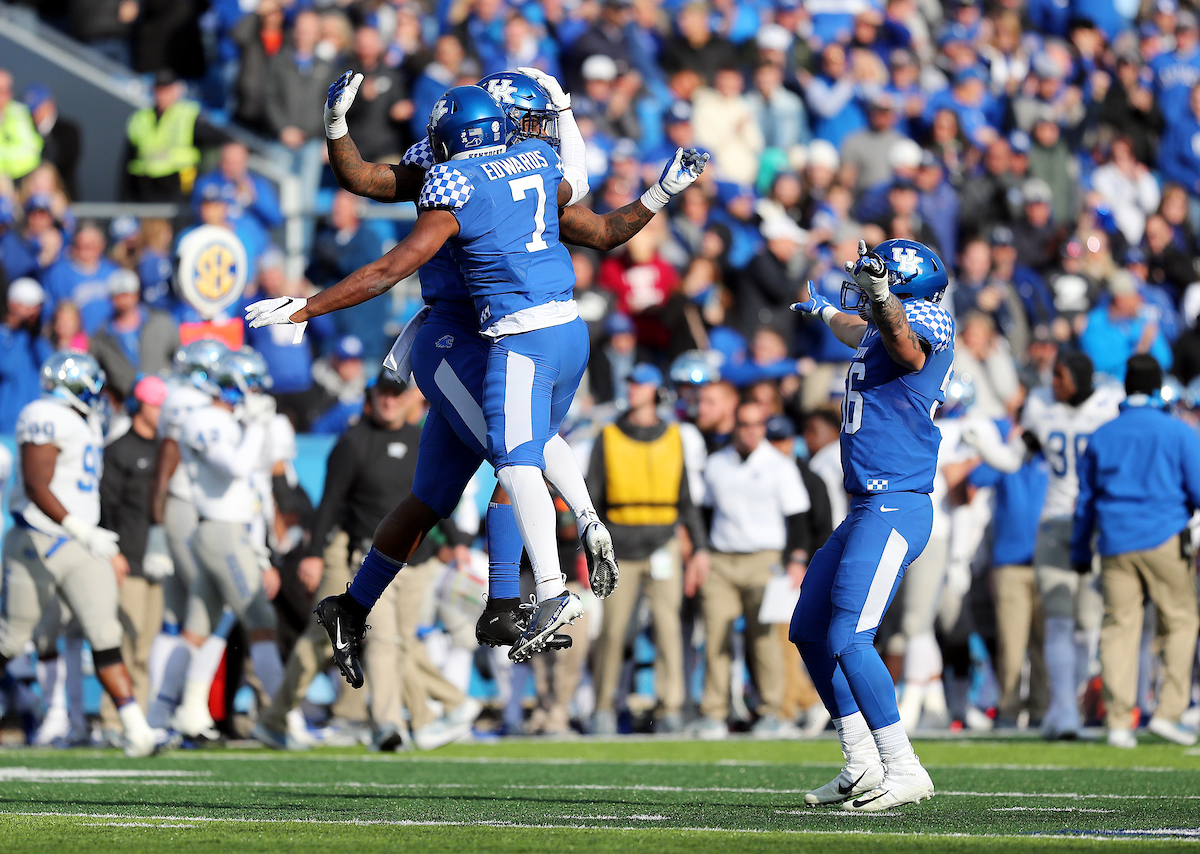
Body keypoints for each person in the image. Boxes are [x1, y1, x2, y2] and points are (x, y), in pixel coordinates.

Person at [248, 69, 704, 680]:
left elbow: (590, 222)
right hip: (451, 337)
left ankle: (352, 606)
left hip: (499, 333)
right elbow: (366, 192)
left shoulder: (512, 173)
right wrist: (334, 130)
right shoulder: (464, 173)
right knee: (511, 450)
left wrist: (643, 181)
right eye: (535, 121)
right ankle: (508, 600)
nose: (539, 133)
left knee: (433, 496)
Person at [788, 238, 956, 810]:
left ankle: (904, 766)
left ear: (901, 288)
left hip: (897, 503)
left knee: (849, 636)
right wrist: (823, 311)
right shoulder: (874, 328)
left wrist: (882, 296)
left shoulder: (927, 320)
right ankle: (860, 760)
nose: (861, 292)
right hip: (864, 507)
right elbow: (858, 330)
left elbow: (906, 348)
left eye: (875, 284)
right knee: (810, 628)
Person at [254, 374, 479, 752]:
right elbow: (330, 504)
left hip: (412, 561)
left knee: (398, 642)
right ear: (371, 396)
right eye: (382, 394)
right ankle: (389, 722)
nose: (389, 402)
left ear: (410, 399)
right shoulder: (353, 443)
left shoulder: (421, 440)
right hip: (358, 556)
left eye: (396, 395)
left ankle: (425, 719)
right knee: (342, 639)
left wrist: (455, 543)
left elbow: (434, 499)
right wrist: (312, 555)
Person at [0, 352, 159, 756]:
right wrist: (81, 529)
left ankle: (136, 730)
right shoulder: (43, 413)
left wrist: (87, 534)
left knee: (105, 634)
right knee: (13, 639)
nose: (99, 395)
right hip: (39, 539)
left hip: (82, 544)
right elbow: (37, 484)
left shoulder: (85, 420)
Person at [1071, 354, 1200, 747]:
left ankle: (1118, 722)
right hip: (1164, 537)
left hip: (1114, 541)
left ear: (1126, 386)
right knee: (1180, 622)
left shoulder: (1103, 434)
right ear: (1159, 386)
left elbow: (1086, 502)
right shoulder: (1178, 432)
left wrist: (1080, 549)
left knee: (1118, 629)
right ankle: (1167, 712)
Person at [585, 363, 709, 735]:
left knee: (669, 628)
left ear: (655, 390)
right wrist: (590, 552)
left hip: (663, 541)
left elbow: (686, 499)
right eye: (631, 383)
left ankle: (671, 707)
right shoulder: (607, 436)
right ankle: (604, 708)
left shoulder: (674, 437)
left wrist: (699, 547)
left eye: (640, 384)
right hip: (619, 544)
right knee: (613, 629)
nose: (633, 390)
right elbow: (593, 498)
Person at [171, 350, 284, 738]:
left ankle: (172, 712)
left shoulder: (232, 422)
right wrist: (255, 426)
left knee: (199, 627)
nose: (257, 395)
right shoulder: (207, 420)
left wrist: (261, 553)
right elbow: (234, 467)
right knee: (262, 623)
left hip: (233, 530)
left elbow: (253, 489)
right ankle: (282, 718)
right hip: (220, 529)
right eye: (251, 386)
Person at [691, 398, 811, 739]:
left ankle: (772, 709)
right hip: (722, 558)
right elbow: (704, 513)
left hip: (765, 558)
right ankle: (713, 711)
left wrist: (796, 560)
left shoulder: (779, 465)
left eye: (757, 425)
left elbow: (797, 517)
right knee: (716, 635)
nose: (750, 432)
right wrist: (700, 553)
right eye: (744, 424)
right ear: (735, 426)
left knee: (765, 638)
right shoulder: (716, 464)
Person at [1019, 351, 1122, 740]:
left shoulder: (1108, 405)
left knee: (1087, 623)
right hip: (1055, 520)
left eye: (1060, 376)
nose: (1053, 383)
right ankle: (1065, 711)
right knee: (1059, 618)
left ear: (1078, 378)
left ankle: (1066, 707)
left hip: (1093, 524)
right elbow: (1017, 458)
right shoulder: (1040, 404)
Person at [97, 375, 172, 739]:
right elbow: (106, 506)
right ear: (141, 405)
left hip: (156, 562)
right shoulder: (119, 450)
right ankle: (113, 720)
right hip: (129, 559)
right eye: (158, 404)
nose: (162, 412)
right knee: (125, 643)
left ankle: (137, 720)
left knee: (144, 646)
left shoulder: (165, 448)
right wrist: (113, 553)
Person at [87, 268, 181, 399]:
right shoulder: (101, 337)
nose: (124, 300)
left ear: (136, 295)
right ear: (111, 298)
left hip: (164, 397)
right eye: (119, 295)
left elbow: (178, 357)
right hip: (127, 404)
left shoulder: (161, 323)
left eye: (128, 294)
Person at [41, 223, 121, 336]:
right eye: (80, 245)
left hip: (109, 340)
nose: (85, 250)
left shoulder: (113, 272)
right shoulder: (58, 274)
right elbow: (48, 313)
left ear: (101, 246)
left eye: (90, 245)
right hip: (73, 341)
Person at [0, 278, 52, 431]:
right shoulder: (5, 335)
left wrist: (35, 336)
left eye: (37, 307)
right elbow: (8, 367)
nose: (34, 313)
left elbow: (49, 365)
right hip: (7, 424)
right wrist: (22, 333)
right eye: (29, 306)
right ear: (13, 304)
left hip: (36, 422)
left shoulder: (35, 337)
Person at [0, 69, 43, 181]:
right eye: (1, 90)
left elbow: (31, 153)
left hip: (19, 180)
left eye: (7, 90)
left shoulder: (20, 112)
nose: (5, 95)